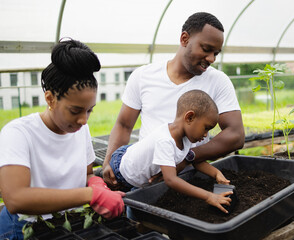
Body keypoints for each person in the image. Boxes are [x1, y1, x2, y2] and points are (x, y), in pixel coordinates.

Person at [0, 39, 125, 240]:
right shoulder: (18, 133)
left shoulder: (80, 129)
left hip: (67, 223)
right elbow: (15, 198)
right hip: (24, 229)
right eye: (75, 110)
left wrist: (95, 184)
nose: (84, 120)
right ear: (50, 98)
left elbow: (85, 175)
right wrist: (90, 195)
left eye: (89, 111)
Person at [102, 12, 245, 186]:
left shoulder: (218, 81)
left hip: (193, 178)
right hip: (145, 180)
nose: (211, 59)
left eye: (216, 53)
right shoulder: (143, 76)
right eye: (206, 49)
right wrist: (109, 160)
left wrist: (186, 158)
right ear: (184, 39)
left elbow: (235, 135)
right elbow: (124, 125)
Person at [110, 90, 233, 213]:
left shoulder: (187, 137)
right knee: (121, 209)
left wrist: (216, 173)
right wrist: (209, 196)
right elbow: (171, 180)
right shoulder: (165, 141)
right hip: (123, 170)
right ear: (189, 117)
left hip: (139, 165)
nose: (206, 135)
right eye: (206, 128)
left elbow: (196, 161)